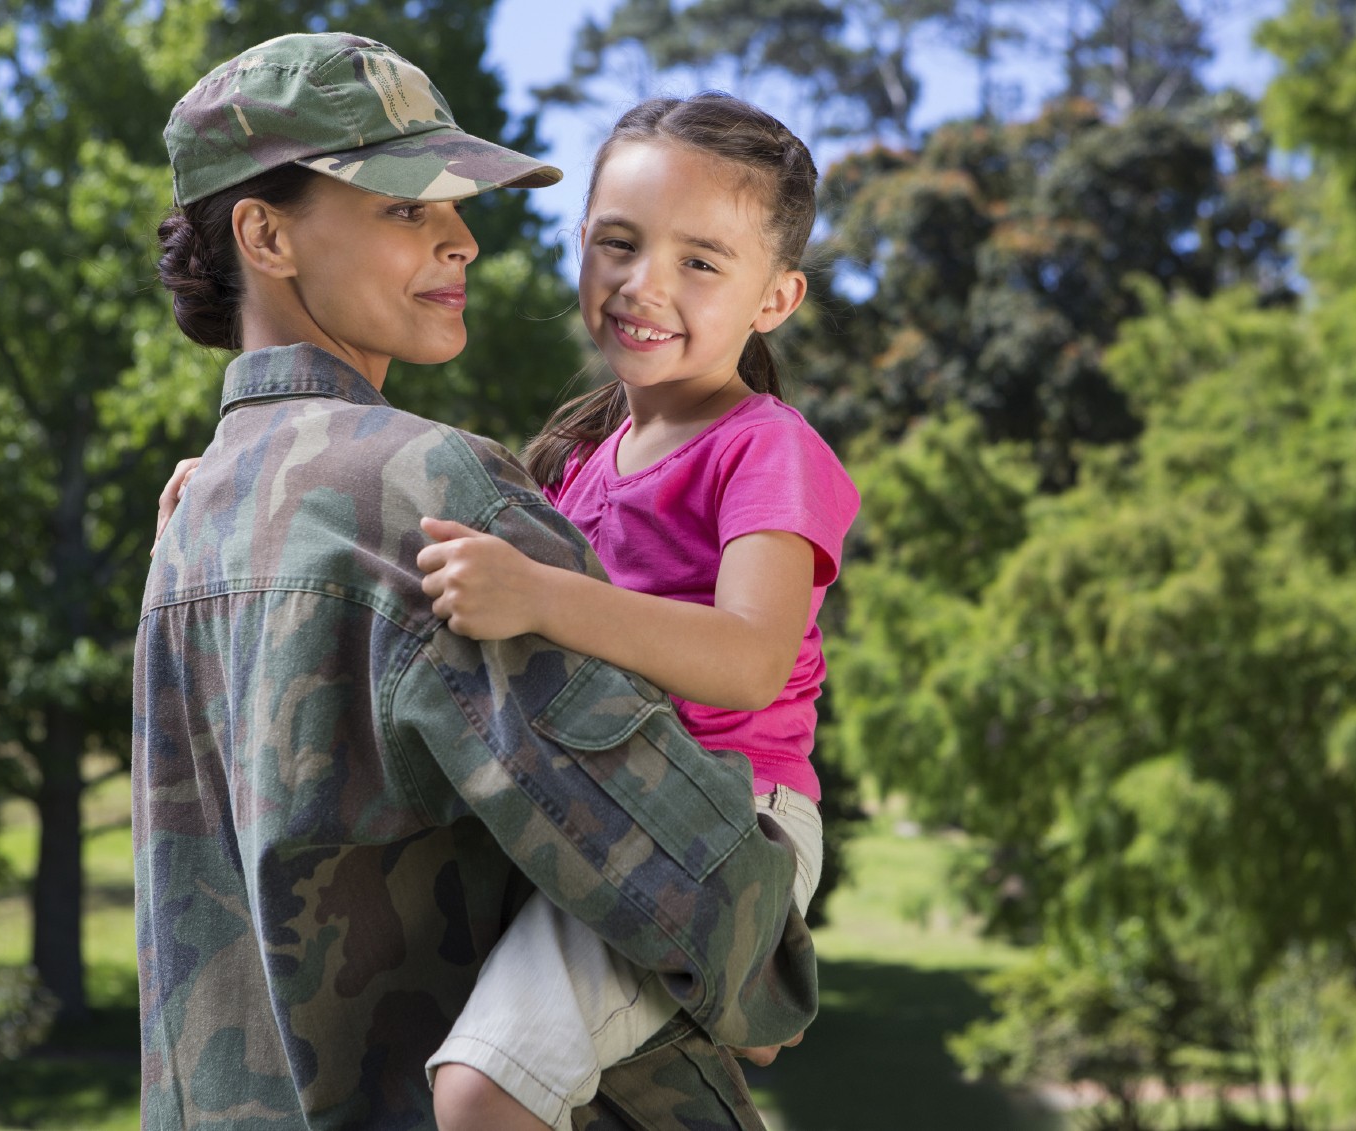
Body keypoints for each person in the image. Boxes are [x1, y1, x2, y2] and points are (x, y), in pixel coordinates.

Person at [135, 33, 815, 1131]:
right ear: (265, 234)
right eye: (406, 209)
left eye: (457, 207)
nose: (462, 239)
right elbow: (662, 853)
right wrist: (764, 965)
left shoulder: (193, 518)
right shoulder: (423, 481)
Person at [411, 94, 859, 1131]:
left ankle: (744, 954)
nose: (643, 283)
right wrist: (247, 480)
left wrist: (538, 595)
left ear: (776, 298)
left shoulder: (766, 448)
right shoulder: (574, 459)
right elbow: (432, 553)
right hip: (596, 801)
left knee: (482, 1095)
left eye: (701, 261)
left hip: (724, 817)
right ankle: (725, 989)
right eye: (617, 242)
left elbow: (751, 660)